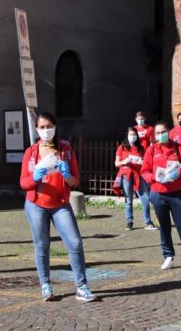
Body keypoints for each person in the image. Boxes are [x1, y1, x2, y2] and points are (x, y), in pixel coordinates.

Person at [20, 112, 96, 302]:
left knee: (75, 243)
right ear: (37, 129)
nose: (46, 131)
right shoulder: (31, 152)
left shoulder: (66, 150)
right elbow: (23, 182)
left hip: (60, 203)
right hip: (36, 203)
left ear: (55, 127)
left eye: (49, 127)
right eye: (42, 127)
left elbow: (75, 181)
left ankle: (82, 286)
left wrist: (66, 175)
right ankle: (45, 285)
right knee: (42, 245)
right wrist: (34, 178)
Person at [141, 122, 181, 270]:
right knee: (164, 226)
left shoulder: (178, 148)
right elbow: (144, 171)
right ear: (155, 135)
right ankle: (168, 256)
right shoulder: (151, 150)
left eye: (163, 132)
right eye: (157, 133)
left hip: (176, 193)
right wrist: (155, 178)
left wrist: (178, 174)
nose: (160, 135)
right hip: (158, 193)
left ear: (168, 132)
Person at [114, 127, 155, 230]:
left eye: (134, 135)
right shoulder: (121, 147)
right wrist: (124, 162)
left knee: (145, 198)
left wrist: (141, 162)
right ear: (127, 136)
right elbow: (116, 163)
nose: (133, 136)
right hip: (126, 174)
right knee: (128, 199)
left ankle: (148, 222)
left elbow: (146, 162)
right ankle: (129, 221)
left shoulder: (141, 148)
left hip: (139, 174)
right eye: (130, 134)